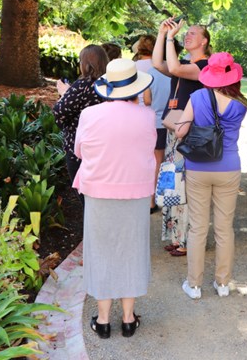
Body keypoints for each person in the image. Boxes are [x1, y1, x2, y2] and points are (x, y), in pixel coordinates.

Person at [73, 58, 155, 338]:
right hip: (135, 193)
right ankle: (129, 318)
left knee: (101, 252)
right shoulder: (146, 115)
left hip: (99, 191)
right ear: (134, 87)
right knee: (132, 250)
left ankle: (104, 319)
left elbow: (80, 151)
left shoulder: (90, 114)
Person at [175, 52, 247, 299]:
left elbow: (180, 132)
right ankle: (223, 283)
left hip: (198, 166)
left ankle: (194, 285)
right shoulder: (242, 103)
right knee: (224, 228)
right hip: (228, 166)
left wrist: (179, 125)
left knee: (197, 227)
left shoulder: (197, 97)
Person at [152, 18, 211, 256]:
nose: (187, 36)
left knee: (184, 184)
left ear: (204, 41)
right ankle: (176, 236)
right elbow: (158, 63)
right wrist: (161, 33)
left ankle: (186, 239)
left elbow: (174, 69)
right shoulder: (184, 61)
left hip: (188, 133)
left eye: (193, 34)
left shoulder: (204, 67)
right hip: (173, 130)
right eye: (186, 33)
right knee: (173, 181)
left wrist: (170, 39)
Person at [53, 44, 109, 196]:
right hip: (106, 145)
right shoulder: (110, 84)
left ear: (86, 64)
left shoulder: (83, 85)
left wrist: (64, 93)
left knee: (85, 195)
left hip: (80, 148)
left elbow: (59, 113)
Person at [134, 34, 171, 213]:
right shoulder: (166, 69)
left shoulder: (133, 67)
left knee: (138, 159)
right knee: (158, 161)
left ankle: (137, 195)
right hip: (161, 122)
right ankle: (152, 199)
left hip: (138, 121)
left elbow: (146, 99)